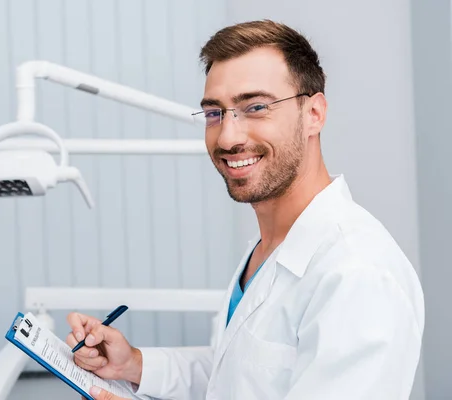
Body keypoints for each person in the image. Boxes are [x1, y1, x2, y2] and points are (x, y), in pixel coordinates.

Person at [66, 19, 425, 400]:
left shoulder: (358, 274)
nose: (228, 136)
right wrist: (133, 365)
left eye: (255, 107)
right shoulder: (271, 249)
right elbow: (241, 374)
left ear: (314, 114)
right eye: (214, 113)